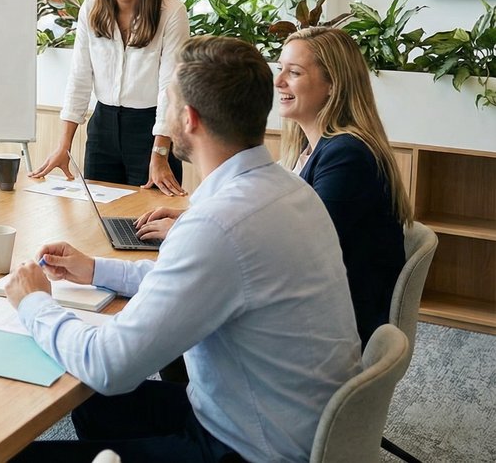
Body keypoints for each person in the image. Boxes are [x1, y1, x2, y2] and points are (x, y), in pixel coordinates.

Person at [6, 36, 360, 462]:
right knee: (90, 401)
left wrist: (34, 303)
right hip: (276, 418)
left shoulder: (219, 224)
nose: (163, 115)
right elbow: (196, 276)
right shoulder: (288, 189)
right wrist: (96, 269)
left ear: (189, 119)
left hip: (251, 449)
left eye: (167, 103)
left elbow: (108, 365)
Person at [136, 26, 409, 344]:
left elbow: (296, 248)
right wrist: (192, 221)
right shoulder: (314, 149)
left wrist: (200, 234)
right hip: (316, 313)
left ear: (332, 85)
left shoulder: (347, 155)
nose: (278, 82)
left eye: (294, 72)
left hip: (333, 331)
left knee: (185, 317)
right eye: (280, 69)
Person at [30, 0, 188, 196]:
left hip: (151, 131)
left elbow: (170, 89)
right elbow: (79, 78)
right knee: (99, 212)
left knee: (149, 215)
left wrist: (160, 154)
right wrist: (63, 146)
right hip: (103, 128)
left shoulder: (171, 12)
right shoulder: (91, 7)